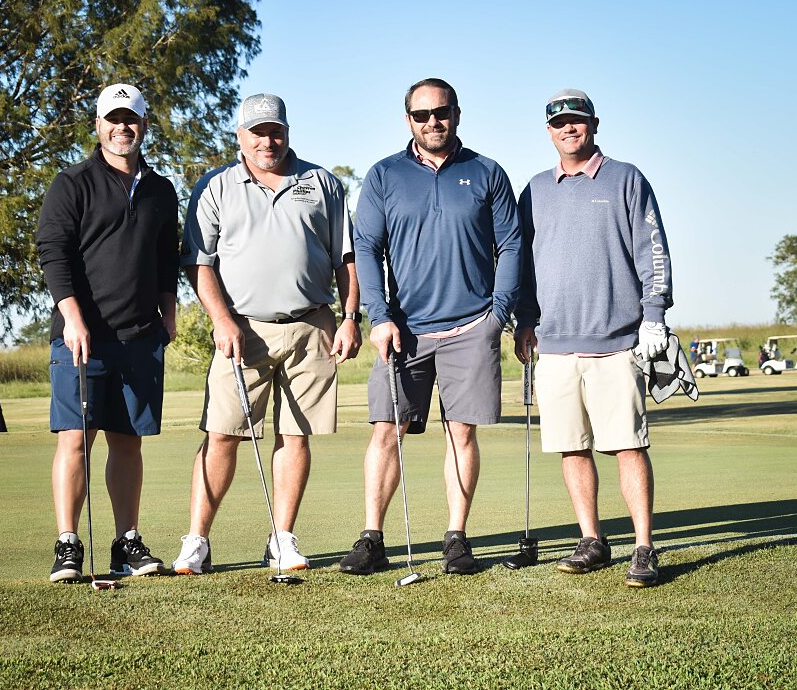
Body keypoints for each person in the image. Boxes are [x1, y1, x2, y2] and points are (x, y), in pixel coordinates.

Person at [338, 78, 522, 576]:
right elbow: (367, 252)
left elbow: (511, 247)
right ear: (408, 120)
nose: (432, 122)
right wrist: (378, 317)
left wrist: (498, 315)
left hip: (472, 325)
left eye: (440, 112)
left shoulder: (486, 172)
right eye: (421, 115)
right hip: (404, 329)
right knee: (386, 430)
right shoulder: (383, 176)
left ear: (457, 113)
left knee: (460, 433)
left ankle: (456, 539)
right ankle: (372, 538)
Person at [172, 93, 360, 575]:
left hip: (311, 325)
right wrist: (220, 320)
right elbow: (200, 262)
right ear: (240, 136)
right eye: (256, 132)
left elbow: (346, 258)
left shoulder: (321, 183)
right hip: (241, 330)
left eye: (274, 130)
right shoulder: (215, 186)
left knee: (295, 437)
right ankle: (197, 540)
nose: (266, 140)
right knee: (222, 435)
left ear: (287, 132)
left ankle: (282, 538)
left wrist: (351, 317)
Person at [514, 89, 673, 588]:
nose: (569, 129)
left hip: (617, 340)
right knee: (572, 447)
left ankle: (644, 546)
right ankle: (593, 540)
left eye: (577, 121)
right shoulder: (535, 188)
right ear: (549, 132)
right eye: (559, 123)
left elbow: (654, 251)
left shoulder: (626, 178)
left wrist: (655, 315)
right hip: (555, 344)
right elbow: (521, 265)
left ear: (594, 124)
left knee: (628, 445)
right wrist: (523, 320)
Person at [37, 83, 178, 583]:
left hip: (140, 337)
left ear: (144, 123)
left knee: (128, 441)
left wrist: (169, 311)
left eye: (131, 119)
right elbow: (53, 253)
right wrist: (73, 318)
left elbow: (165, 261)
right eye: (112, 119)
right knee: (75, 438)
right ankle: (68, 544)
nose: (122, 127)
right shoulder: (71, 183)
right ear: (97, 126)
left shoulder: (161, 189)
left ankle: (127, 543)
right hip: (82, 337)